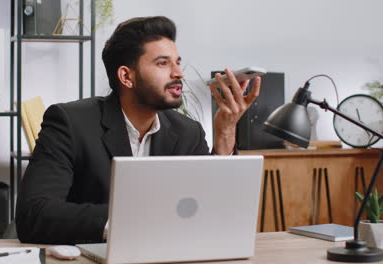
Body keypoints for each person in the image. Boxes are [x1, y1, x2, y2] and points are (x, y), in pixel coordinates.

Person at [16, 16, 261, 245]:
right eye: (162, 63)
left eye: (177, 62)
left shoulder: (188, 131)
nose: (178, 73)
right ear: (127, 76)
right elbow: (34, 214)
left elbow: (211, 208)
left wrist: (226, 131)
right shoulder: (70, 122)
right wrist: (131, 223)